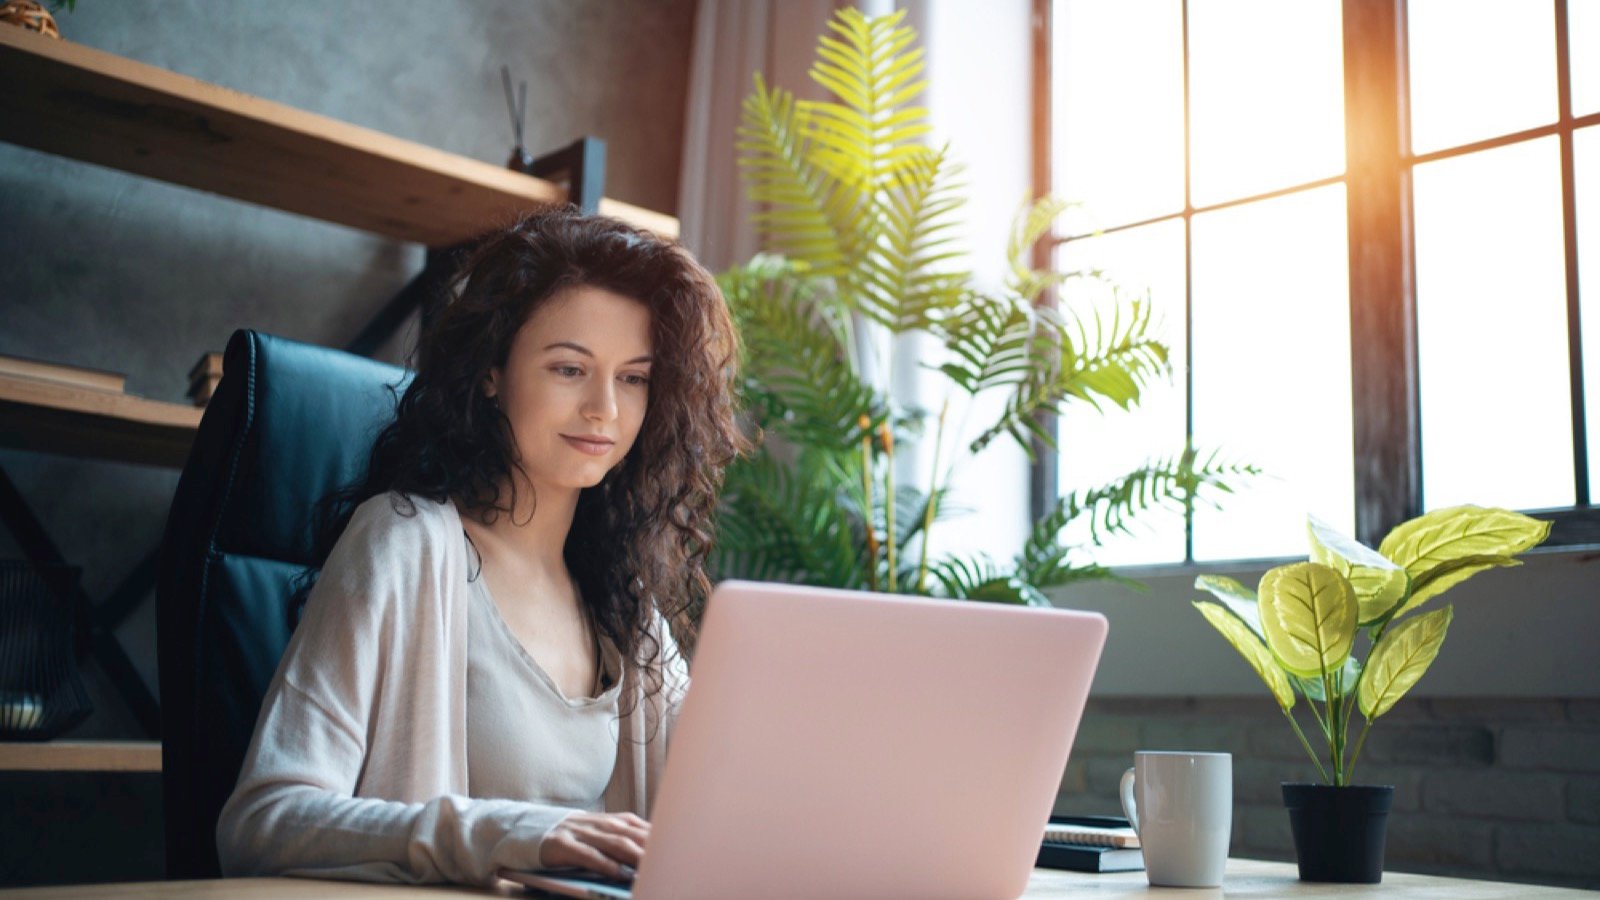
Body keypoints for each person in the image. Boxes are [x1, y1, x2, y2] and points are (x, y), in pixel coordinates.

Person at [215, 207, 746, 885]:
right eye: (568, 369)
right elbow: (263, 821)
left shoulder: (625, 606)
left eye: (634, 378)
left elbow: (720, 809)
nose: (604, 410)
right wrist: (513, 833)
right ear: (492, 372)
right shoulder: (404, 542)